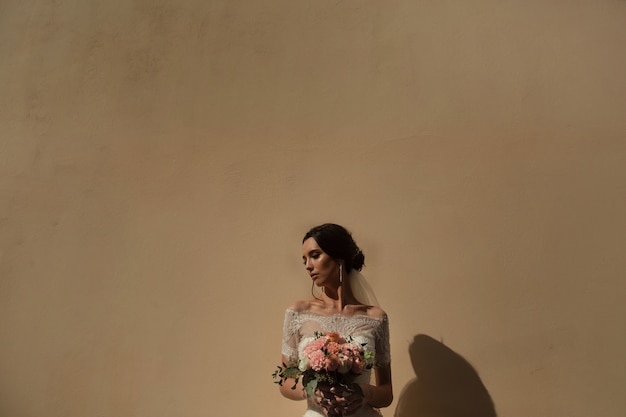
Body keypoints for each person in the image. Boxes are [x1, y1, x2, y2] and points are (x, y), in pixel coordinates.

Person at [280, 223, 393, 417]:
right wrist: (311, 391)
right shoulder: (298, 312)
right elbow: (285, 381)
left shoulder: (375, 318)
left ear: (339, 258)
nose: (308, 266)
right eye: (304, 260)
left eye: (315, 256)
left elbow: (386, 392)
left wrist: (363, 393)